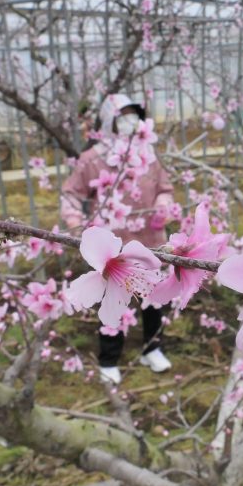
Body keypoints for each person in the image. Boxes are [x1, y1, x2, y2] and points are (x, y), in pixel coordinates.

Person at [61, 93, 175, 385]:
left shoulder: (148, 154)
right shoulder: (94, 158)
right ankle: (109, 359)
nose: (129, 121)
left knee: (153, 297)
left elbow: (165, 187)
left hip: (150, 240)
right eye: (122, 115)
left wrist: (163, 204)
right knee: (111, 300)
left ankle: (153, 347)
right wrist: (76, 224)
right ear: (109, 120)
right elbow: (71, 194)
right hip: (111, 248)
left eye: (133, 113)